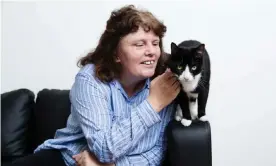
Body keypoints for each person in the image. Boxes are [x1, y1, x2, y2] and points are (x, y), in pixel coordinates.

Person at [7, 4, 180, 166]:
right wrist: (153, 103)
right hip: (67, 160)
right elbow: (104, 149)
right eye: (139, 44)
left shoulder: (165, 83)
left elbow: (157, 152)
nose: (151, 51)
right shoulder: (90, 79)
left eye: (155, 43)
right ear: (115, 54)